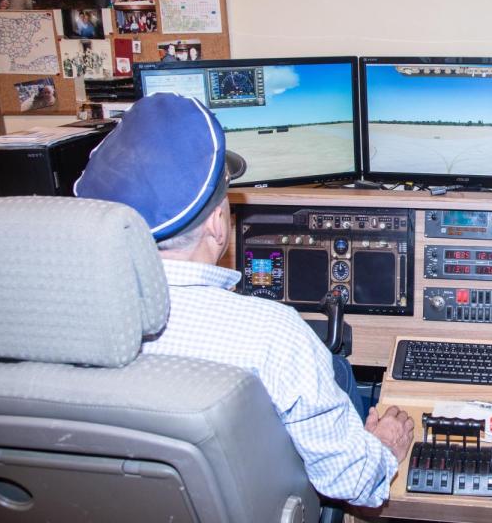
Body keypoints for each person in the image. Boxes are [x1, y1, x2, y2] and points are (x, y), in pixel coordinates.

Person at [74, 93, 414, 507]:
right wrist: (382, 445)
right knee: (339, 372)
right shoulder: (272, 334)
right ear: (219, 223)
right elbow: (354, 484)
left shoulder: (59, 320)